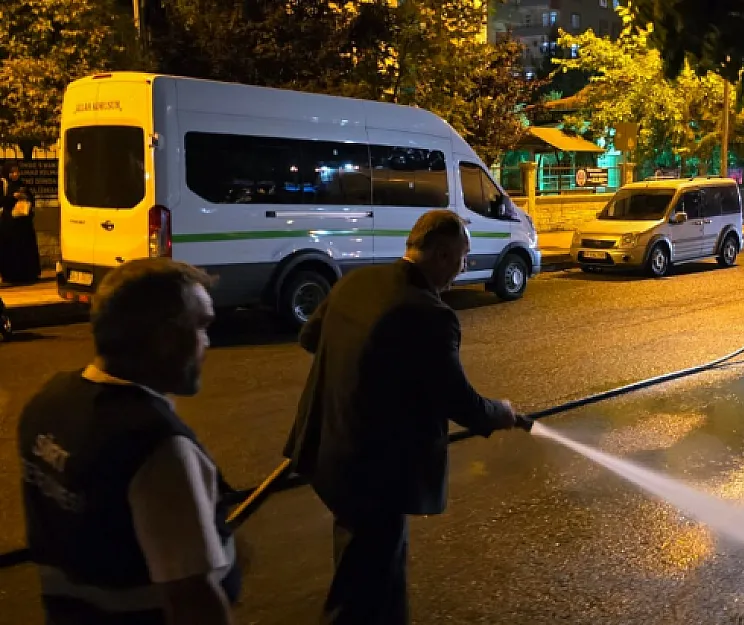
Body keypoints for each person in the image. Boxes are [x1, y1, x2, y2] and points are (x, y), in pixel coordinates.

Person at [283, 209, 521, 625]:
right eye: (462, 258)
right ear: (443, 255)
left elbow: (310, 340)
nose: (462, 268)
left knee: (365, 564)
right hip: (374, 468)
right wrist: (497, 413)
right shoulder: (429, 312)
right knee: (368, 583)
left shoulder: (358, 281)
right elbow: (458, 400)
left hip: (324, 447)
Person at [18, 258, 240, 625]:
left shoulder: (48, 402)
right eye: (201, 326)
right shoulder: (157, 448)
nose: (207, 343)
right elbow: (192, 601)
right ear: (166, 338)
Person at [0, 163, 42, 284]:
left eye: (17, 172)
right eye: (12, 172)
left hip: (24, 224)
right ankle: (12, 276)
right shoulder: (4, 185)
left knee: (26, 250)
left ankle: (28, 275)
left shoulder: (23, 185)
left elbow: (31, 199)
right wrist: (13, 197)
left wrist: (27, 199)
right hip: (10, 225)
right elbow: (2, 201)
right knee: (12, 251)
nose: (15, 174)